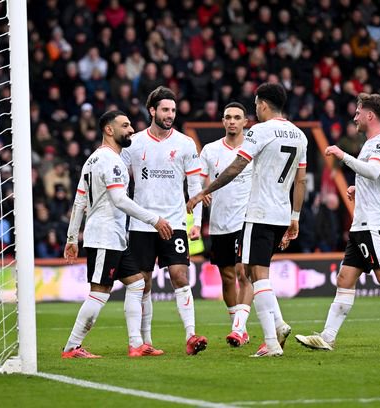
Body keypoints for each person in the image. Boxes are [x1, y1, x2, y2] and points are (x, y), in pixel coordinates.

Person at [295, 93, 380, 351]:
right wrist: (363, 190)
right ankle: (327, 337)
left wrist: (342, 155)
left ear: (370, 115)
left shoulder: (379, 144)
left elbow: (372, 171)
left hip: (373, 224)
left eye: (358, 112)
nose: (355, 117)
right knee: (345, 278)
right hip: (363, 224)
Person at [187, 83, 308, 357]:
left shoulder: (259, 131)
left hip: (258, 213)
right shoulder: (300, 135)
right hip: (281, 212)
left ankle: (272, 342)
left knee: (257, 275)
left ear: (263, 104)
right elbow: (300, 180)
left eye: (255, 105)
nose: (255, 109)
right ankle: (276, 326)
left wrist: (205, 191)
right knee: (253, 273)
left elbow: (237, 165)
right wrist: (295, 217)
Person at [61, 110, 173, 358]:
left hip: (115, 238)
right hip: (104, 236)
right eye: (125, 125)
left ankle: (136, 344)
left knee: (137, 283)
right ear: (109, 130)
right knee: (100, 291)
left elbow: (80, 200)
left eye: (131, 125)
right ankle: (72, 347)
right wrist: (154, 219)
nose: (131, 129)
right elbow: (119, 199)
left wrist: (72, 238)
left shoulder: (92, 160)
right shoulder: (110, 161)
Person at [121, 86, 208, 355]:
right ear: (152, 111)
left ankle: (191, 336)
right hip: (141, 224)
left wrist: (196, 222)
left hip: (175, 223)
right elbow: (120, 182)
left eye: (173, 110)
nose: (170, 114)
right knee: (142, 282)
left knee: (180, 275)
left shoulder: (184, 143)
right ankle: (143, 341)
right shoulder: (134, 143)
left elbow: (195, 186)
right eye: (165, 110)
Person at [198, 102, 253, 347]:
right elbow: (197, 181)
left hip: (247, 219)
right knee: (228, 276)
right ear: (222, 121)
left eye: (237, 117)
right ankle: (237, 325)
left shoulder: (254, 149)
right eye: (228, 117)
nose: (232, 121)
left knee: (244, 272)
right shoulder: (210, 150)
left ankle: (239, 328)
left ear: (245, 122)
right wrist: (202, 191)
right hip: (220, 222)